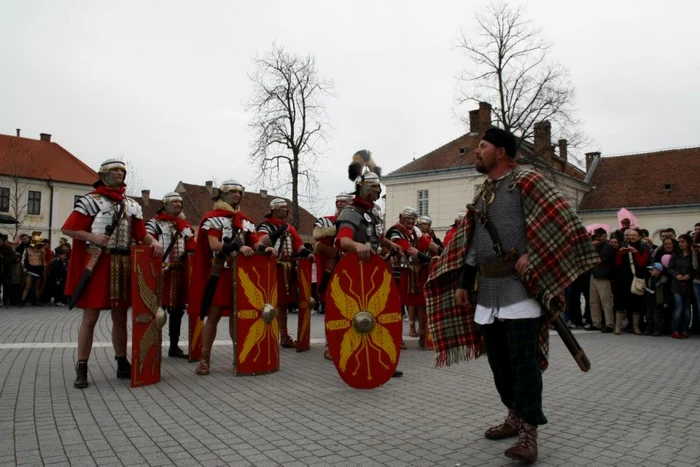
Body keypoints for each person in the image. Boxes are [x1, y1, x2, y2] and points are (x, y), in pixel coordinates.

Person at [424, 127, 598, 464]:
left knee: (524, 366)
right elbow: (475, 243)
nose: (477, 151)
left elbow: (564, 221)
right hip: (487, 293)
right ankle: (514, 415)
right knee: (500, 366)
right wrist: (463, 280)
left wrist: (534, 253)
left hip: (519, 293)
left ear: (501, 151)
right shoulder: (483, 193)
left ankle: (529, 433)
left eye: (483, 146)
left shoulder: (528, 180)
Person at [62, 159, 163, 389]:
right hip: (98, 264)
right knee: (90, 318)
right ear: (104, 174)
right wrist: (93, 237)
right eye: (115, 170)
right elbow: (68, 229)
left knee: (120, 316)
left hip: (124, 263)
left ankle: (122, 362)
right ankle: (82, 366)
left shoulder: (131, 205)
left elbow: (140, 234)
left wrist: (153, 241)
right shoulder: (91, 201)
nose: (120, 173)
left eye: (122, 170)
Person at [188, 180, 276, 375]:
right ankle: (204, 359)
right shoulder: (214, 218)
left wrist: (264, 248)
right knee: (213, 316)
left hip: (240, 275)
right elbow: (213, 244)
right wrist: (237, 247)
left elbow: (253, 242)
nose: (237, 195)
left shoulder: (244, 220)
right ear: (223, 195)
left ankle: (240, 356)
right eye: (232, 192)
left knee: (238, 317)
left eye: (239, 192)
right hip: (220, 273)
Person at [335, 149, 404, 378]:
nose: (377, 190)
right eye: (374, 187)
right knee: (355, 316)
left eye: (378, 187)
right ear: (362, 187)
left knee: (378, 315)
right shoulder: (351, 211)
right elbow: (343, 239)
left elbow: (374, 236)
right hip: (355, 272)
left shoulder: (373, 213)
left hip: (373, 270)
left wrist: (389, 244)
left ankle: (380, 360)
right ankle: (345, 355)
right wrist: (358, 246)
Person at [145, 192, 196, 358]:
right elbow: (146, 245)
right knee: (156, 310)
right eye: (174, 202)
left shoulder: (186, 226)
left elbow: (192, 246)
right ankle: (153, 345)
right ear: (165, 204)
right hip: (160, 272)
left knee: (178, 311)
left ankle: (174, 346)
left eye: (179, 203)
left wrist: (189, 253)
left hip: (179, 272)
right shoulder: (154, 224)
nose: (177, 205)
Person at [257, 198, 314, 348]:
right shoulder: (265, 225)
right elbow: (261, 241)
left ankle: (283, 335)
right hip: (271, 268)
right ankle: (265, 335)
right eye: (282, 208)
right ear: (274, 210)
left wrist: (306, 253)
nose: (285, 210)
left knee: (282, 305)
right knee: (269, 303)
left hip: (287, 269)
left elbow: (298, 245)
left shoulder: (290, 228)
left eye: (286, 208)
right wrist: (280, 230)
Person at [386, 207, 439, 347]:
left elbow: (429, 244)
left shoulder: (414, 231)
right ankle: (396, 337)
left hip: (413, 272)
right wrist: (428, 259)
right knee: (396, 305)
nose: (410, 221)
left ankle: (423, 335)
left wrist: (444, 251)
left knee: (421, 302)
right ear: (401, 218)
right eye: (407, 218)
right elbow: (408, 249)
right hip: (397, 271)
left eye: (412, 219)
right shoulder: (395, 231)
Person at [313, 193, 353, 359]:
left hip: (351, 270)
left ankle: (349, 341)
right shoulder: (326, 221)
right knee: (332, 309)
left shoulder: (354, 222)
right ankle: (331, 344)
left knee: (351, 308)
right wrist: (329, 250)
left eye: (345, 202)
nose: (341, 204)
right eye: (339, 202)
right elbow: (315, 244)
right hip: (332, 269)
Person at [615, 228, 649, 335]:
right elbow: (618, 264)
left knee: (636, 303)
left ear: (639, 236)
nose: (632, 237)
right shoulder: (623, 245)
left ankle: (636, 327)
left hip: (637, 277)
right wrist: (620, 254)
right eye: (630, 235)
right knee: (621, 302)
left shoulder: (644, 247)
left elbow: (642, 263)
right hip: (623, 278)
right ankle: (617, 327)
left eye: (634, 235)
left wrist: (637, 253)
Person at [588, 228, 616, 332]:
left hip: (603, 276)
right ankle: (596, 322)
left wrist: (595, 247)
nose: (598, 237)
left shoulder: (608, 247)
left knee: (606, 301)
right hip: (594, 275)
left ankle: (609, 324)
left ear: (605, 235)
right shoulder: (594, 246)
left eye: (600, 235)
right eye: (596, 235)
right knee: (593, 301)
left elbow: (600, 259)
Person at [668, 234, 694, 339]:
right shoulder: (675, 255)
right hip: (676, 284)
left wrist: (689, 275)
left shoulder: (692, 254)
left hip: (688, 285)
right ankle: (675, 330)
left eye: (683, 241)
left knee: (687, 309)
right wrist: (676, 275)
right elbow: (670, 268)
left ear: (688, 243)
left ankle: (685, 330)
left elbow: (694, 269)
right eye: (679, 242)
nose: (680, 244)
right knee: (679, 307)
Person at [20, 232, 47, 307]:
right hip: (30, 268)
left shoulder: (42, 250)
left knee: (37, 286)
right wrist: (24, 267)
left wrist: (44, 268)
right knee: (27, 286)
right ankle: (22, 301)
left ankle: (37, 300)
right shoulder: (27, 249)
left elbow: (44, 260)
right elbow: (23, 259)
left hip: (38, 268)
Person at [644, 263, 668, 336]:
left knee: (657, 317)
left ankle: (658, 330)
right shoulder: (650, 279)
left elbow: (666, 292)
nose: (650, 271)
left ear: (658, 271)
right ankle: (649, 329)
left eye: (652, 270)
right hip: (650, 300)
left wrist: (666, 302)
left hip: (658, 301)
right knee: (649, 316)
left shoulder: (664, 280)